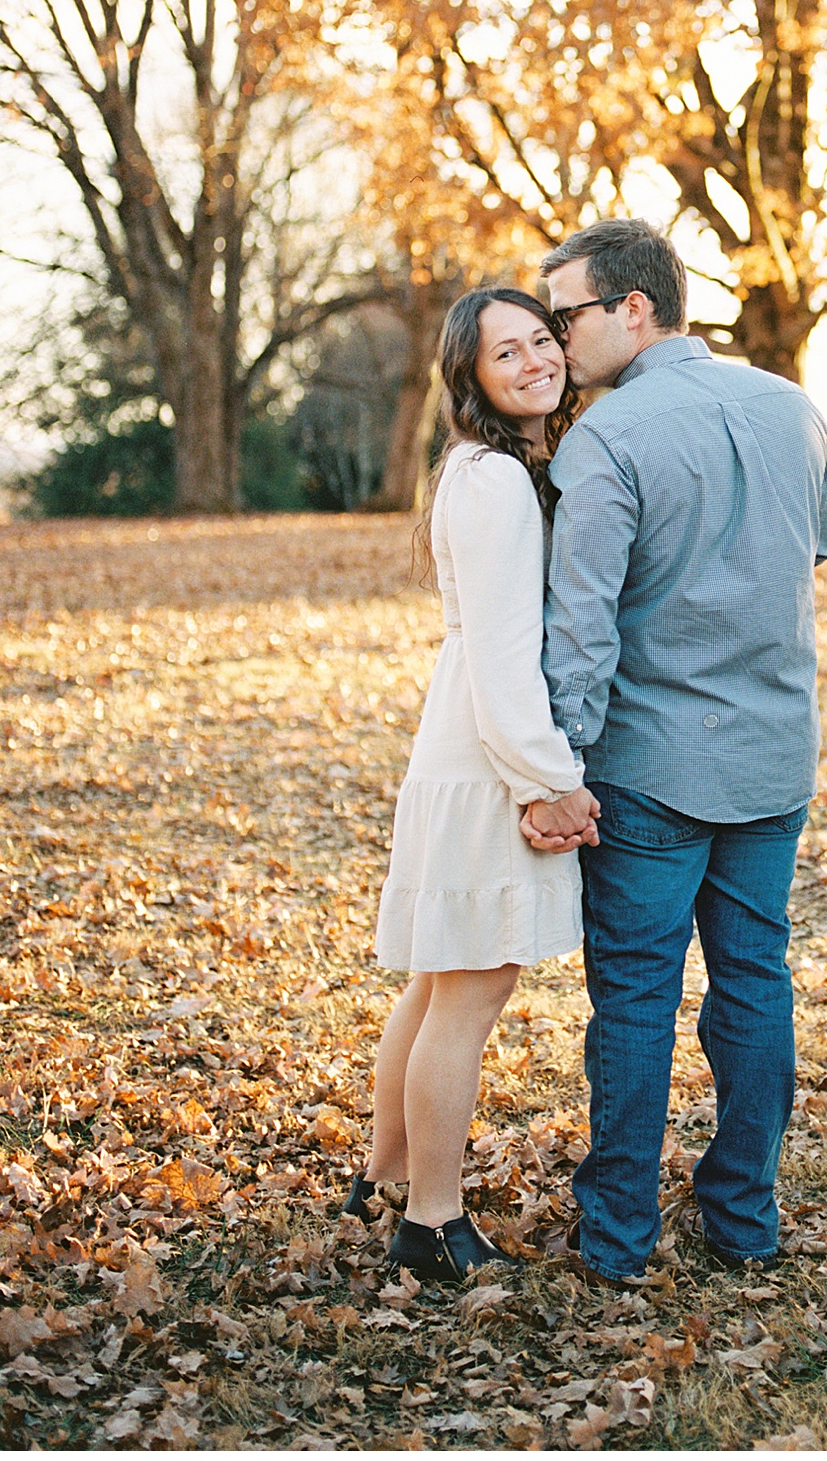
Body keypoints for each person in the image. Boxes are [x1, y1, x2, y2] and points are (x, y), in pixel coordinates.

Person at [524, 219, 827, 1286]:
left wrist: (555, 769)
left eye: (565, 313)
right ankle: (745, 1216)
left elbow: (582, 625)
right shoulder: (792, 406)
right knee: (753, 981)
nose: (555, 339)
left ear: (633, 307)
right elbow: (812, 550)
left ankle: (616, 1236)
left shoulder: (604, 440)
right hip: (771, 756)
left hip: (648, 765)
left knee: (636, 999)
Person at [349, 287, 602, 1281]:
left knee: (436, 978)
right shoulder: (497, 478)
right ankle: (432, 1220)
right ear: (472, 374)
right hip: (490, 754)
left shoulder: (483, 467)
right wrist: (546, 779)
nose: (536, 359)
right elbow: (504, 653)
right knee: (470, 988)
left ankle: (383, 1174)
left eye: (544, 338)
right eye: (508, 350)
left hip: (462, 740)